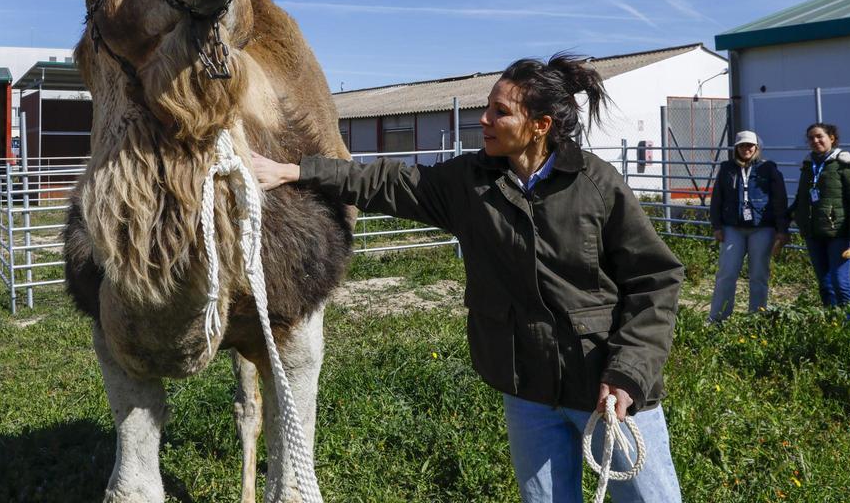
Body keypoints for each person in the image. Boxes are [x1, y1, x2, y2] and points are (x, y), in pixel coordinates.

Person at [252, 54, 684, 503]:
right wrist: (295, 171)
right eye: (487, 107)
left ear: (540, 125)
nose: (485, 119)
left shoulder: (595, 185)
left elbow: (655, 278)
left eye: (501, 111)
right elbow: (386, 182)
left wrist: (629, 372)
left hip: (606, 386)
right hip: (529, 391)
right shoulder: (470, 183)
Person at [777, 122, 850, 307]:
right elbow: (801, 199)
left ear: (831, 138)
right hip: (813, 233)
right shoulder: (808, 165)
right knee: (825, 284)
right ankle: (831, 319)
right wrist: (786, 220)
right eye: (811, 138)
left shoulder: (845, 163)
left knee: (839, 282)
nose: (815, 140)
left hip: (838, 232)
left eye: (820, 136)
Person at [706, 131, 788, 322]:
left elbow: (779, 200)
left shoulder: (768, 169)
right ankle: (718, 318)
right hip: (732, 228)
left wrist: (782, 230)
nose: (746, 149)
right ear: (736, 148)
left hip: (762, 228)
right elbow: (717, 198)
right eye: (742, 145)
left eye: (750, 145)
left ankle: (756, 318)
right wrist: (717, 226)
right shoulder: (727, 168)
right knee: (727, 273)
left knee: (759, 274)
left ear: (756, 147)